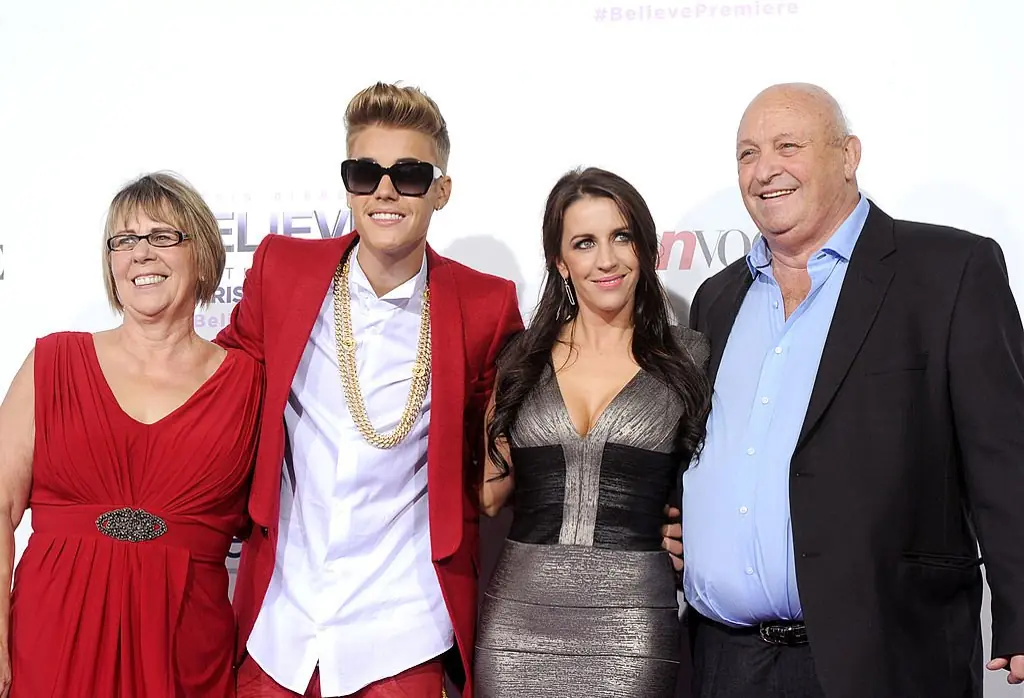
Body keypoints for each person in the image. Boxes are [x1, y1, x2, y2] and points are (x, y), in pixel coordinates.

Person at [682, 82, 1024, 698]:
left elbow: (1006, 456)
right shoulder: (718, 298)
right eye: (747, 153)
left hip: (887, 656)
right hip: (723, 662)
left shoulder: (948, 269)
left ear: (849, 155)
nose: (765, 170)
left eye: (788, 146)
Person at [219, 82, 524, 698]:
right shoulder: (282, 270)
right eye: (365, 173)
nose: (384, 191)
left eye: (409, 175)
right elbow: (217, 388)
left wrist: (631, 510)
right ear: (348, 185)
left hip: (401, 633)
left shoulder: (484, 305)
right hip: (280, 622)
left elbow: (521, 436)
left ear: (441, 190)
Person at [0, 172, 265, 697]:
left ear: (203, 255)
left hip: (185, 652)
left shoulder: (249, 384)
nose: (141, 253)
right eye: (124, 240)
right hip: (53, 642)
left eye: (162, 236)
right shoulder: (53, 362)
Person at [475, 167, 711, 697]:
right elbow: (488, 497)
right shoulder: (522, 358)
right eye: (585, 243)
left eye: (621, 237)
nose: (606, 259)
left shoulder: (690, 356)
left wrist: (695, 532)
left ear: (644, 248)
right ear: (561, 262)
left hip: (631, 624)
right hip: (518, 622)